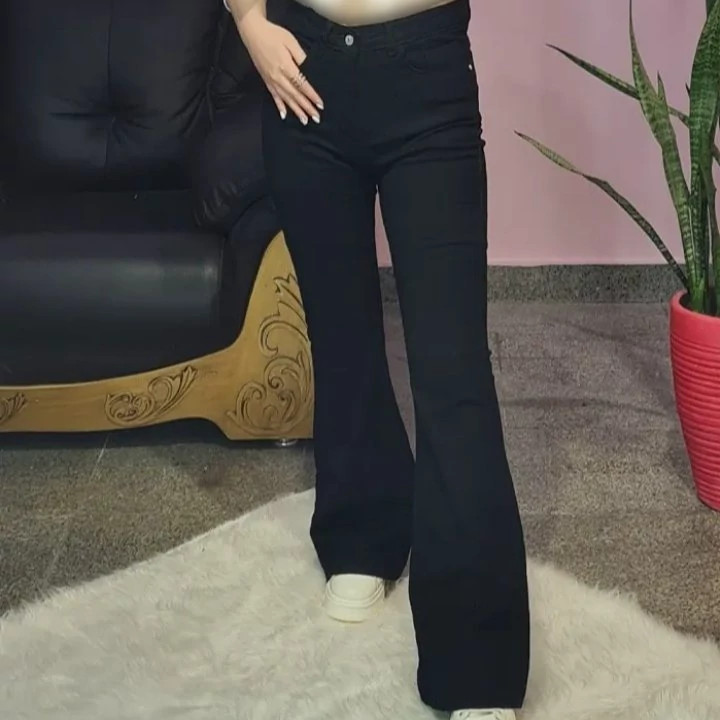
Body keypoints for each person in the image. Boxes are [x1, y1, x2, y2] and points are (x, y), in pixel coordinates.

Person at [224, 0, 530, 717]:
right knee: (341, 336)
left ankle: (478, 662)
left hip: (426, 75)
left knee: (453, 371)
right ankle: (363, 533)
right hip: (302, 67)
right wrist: (248, 22)